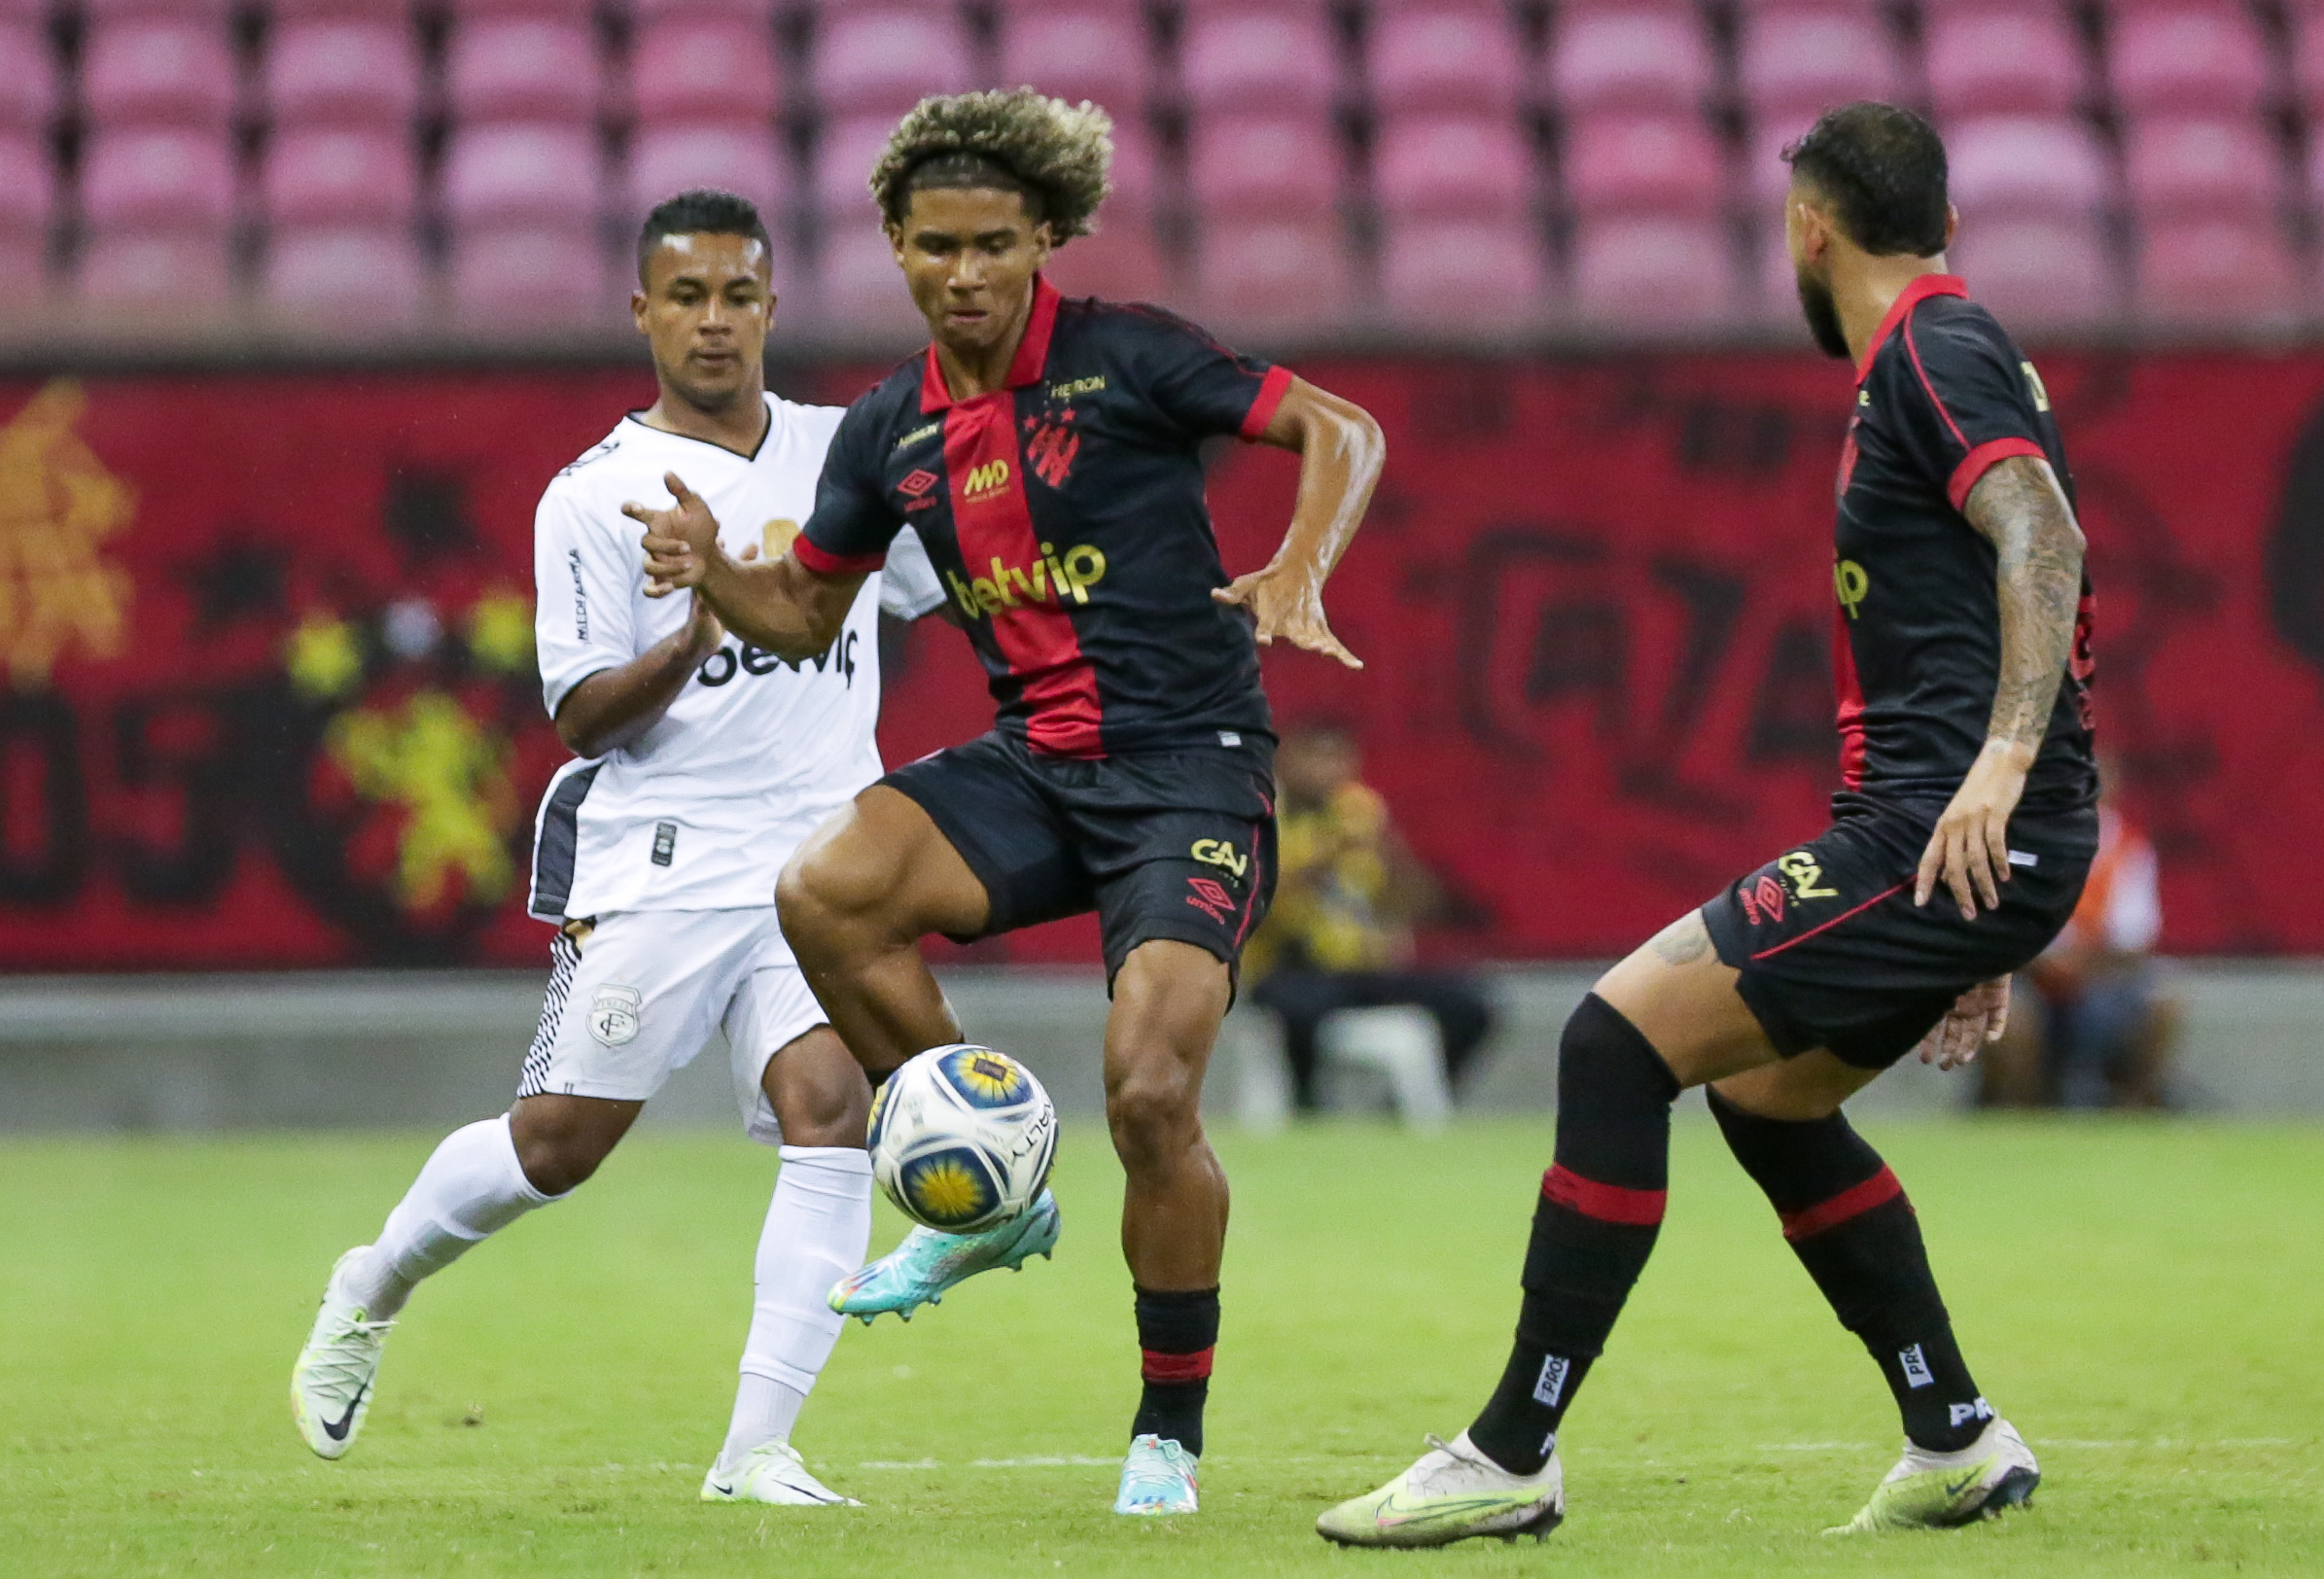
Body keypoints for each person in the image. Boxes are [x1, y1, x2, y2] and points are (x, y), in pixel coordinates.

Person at [1319, 101, 2100, 1547]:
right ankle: (1956, 1434)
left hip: (1953, 824)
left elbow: (2044, 535)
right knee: (1768, 1095)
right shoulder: (1944, 350)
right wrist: (1993, 890)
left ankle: (1510, 1452)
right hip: (1961, 843)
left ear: (1810, 227)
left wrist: (2000, 780)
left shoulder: (1933, 346)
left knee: (1613, 1041)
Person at [629, 89, 1386, 1517]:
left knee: (1154, 1096)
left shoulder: (1136, 359)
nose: (965, 274)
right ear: (896, 251)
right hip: (1038, 760)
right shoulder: (888, 429)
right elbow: (801, 612)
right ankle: (1001, 1181)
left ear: (1044, 238)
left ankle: (1168, 1429)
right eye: (935, 248)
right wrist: (707, 563)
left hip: (1189, 770)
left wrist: (1299, 566)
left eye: (992, 245)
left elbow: (1343, 431)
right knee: (827, 892)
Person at [288, 191, 944, 1508]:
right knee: (557, 1146)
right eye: (687, 296)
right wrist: (697, 629)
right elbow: (581, 713)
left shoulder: (846, 456)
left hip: (825, 857)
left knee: (831, 1118)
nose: (715, 320)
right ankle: (375, 1281)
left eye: (739, 296)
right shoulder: (590, 497)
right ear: (642, 311)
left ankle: (755, 1449)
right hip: (668, 855)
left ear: (771, 308)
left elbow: (950, 581)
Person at [1245, 720, 1493, 1110]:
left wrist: (1396, 859)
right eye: (1315, 757)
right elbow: (1257, 905)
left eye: (1337, 758)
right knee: (1298, 1011)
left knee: (1469, 1004)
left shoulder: (1360, 812)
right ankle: (1305, 1110)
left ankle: (1397, 1112)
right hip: (1290, 970)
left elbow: (1412, 905)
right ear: (1286, 763)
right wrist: (1329, 855)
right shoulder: (1261, 818)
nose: (1328, 771)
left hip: (1363, 970)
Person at [1981, 757, 2177, 1108]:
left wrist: (2080, 966)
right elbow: (2000, 922)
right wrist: (2042, 964)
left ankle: (2134, 1111)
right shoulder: (2021, 841)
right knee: (2011, 1020)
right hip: (2030, 977)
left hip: (2100, 979)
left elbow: (2135, 941)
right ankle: (2015, 1113)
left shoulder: (2129, 849)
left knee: (2162, 1001)